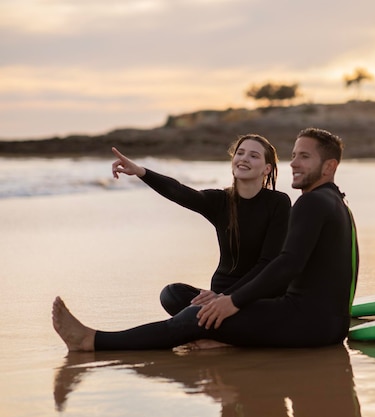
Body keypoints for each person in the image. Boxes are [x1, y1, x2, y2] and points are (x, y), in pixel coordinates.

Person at [52, 127, 359, 350]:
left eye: (304, 157)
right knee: (180, 300)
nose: (294, 163)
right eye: (294, 156)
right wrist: (142, 172)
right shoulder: (332, 201)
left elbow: (285, 265)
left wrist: (232, 301)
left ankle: (92, 340)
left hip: (308, 325)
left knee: (192, 319)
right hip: (320, 324)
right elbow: (183, 193)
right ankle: (217, 335)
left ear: (329, 166)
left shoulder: (307, 202)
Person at [111, 134, 291, 315]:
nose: (244, 158)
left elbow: (267, 263)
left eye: (253, 155)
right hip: (218, 292)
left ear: (267, 168)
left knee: (270, 306)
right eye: (240, 153)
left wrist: (227, 297)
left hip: (255, 295)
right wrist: (141, 171)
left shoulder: (278, 203)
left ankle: (210, 326)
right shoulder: (220, 200)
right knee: (171, 294)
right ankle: (214, 324)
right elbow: (179, 191)